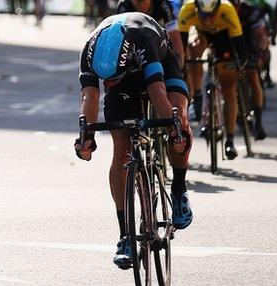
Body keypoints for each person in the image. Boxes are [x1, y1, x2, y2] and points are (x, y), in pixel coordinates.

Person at [74, 13, 193, 269]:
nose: (108, 83)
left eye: (111, 78)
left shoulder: (143, 42)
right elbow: (89, 98)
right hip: (124, 86)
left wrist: (174, 131)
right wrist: (87, 137)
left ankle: (179, 190)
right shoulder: (89, 51)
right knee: (121, 150)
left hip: (159, 63)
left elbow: (158, 92)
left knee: (178, 118)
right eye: (106, 79)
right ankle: (125, 235)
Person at [179, 0, 248, 159]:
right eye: (203, 15)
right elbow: (180, 47)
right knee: (193, 48)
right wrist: (182, 67)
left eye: (212, 15)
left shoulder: (227, 10)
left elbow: (240, 46)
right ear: (196, 8)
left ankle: (229, 140)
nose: (208, 19)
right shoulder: (187, 10)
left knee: (228, 88)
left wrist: (239, 65)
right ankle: (197, 94)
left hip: (223, 35)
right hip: (201, 33)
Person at [232, 0, 270, 139]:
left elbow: (261, 36)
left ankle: (259, 124)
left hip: (250, 46)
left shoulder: (251, 13)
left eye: (235, 6)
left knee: (253, 76)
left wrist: (260, 52)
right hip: (230, 46)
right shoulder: (221, 12)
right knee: (229, 80)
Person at [116, 0, 185, 66]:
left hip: (162, 52)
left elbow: (175, 38)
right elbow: (119, 47)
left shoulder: (163, 3)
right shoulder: (123, 7)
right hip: (136, 56)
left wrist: (180, 67)